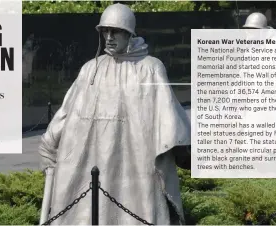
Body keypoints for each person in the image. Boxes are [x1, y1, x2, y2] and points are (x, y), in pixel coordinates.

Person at [38, 3, 191, 225]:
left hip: (134, 163)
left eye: (116, 31)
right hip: (90, 159)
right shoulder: (91, 68)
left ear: (129, 33)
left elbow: (168, 121)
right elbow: (69, 110)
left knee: (135, 210)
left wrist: (185, 151)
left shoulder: (150, 68)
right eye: (105, 31)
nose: (109, 37)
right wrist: (49, 140)